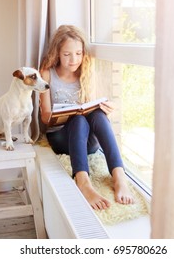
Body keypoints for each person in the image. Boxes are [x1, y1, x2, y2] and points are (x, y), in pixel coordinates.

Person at [39, 25, 134, 210]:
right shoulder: (47, 74)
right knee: (77, 119)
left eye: (78, 53)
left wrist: (106, 108)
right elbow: (44, 118)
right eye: (67, 54)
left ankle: (119, 176)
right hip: (60, 138)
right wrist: (65, 115)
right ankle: (83, 181)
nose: (73, 59)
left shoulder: (86, 72)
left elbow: (91, 108)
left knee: (96, 114)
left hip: (86, 142)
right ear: (57, 53)